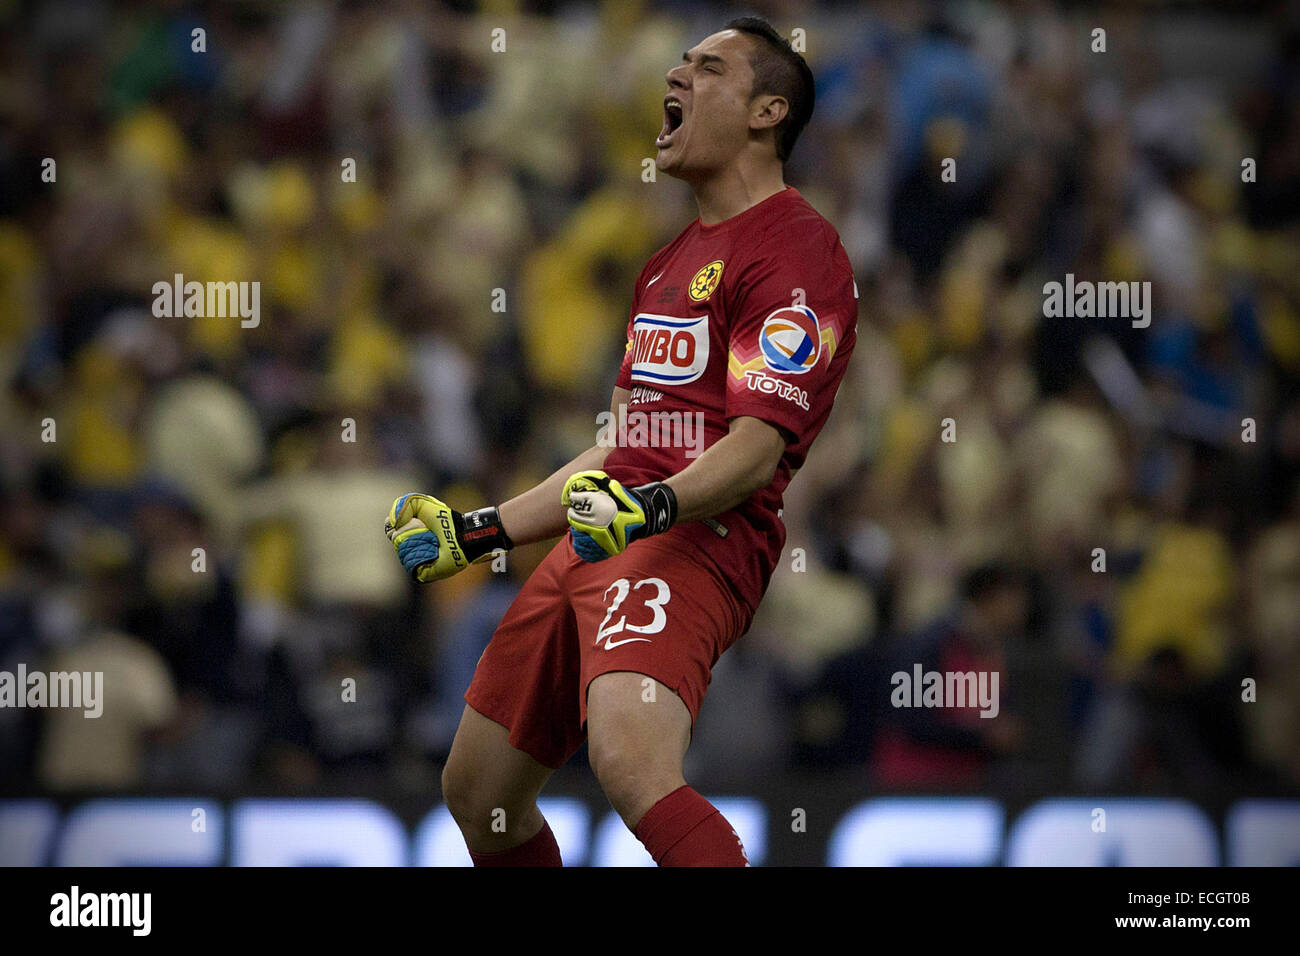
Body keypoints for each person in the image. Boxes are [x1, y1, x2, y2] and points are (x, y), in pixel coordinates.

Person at [384, 16, 857, 866]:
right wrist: (480, 530)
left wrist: (648, 510)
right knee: (478, 790)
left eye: (706, 68)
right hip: (609, 532)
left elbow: (753, 450)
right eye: (678, 61)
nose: (675, 75)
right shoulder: (666, 264)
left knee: (631, 764)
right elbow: (621, 447)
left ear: (766, 112)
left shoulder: (797, 251)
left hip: (696, 538)